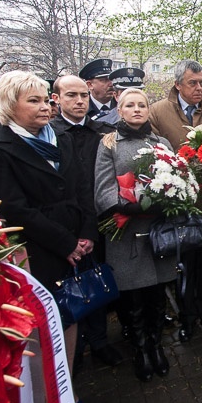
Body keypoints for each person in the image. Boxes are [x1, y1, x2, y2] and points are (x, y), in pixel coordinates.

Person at [0, 70, 96, 403]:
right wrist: (65, 242)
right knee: (41, 328)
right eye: (34, 101)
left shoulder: (61, 139)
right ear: (9, 105)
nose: (46, 107)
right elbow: (13, 207)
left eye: (46, 100)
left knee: (68, 319)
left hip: (75, 242)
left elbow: (82, 188)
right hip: (37, 250)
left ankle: (65, 389)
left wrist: (86, 232)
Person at [94, 88, 176, 381]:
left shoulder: (162, 142)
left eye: (142, 105)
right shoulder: (109, 143)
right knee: (134, 298)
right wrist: (131, 206)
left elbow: (176, 177)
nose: (137, 109)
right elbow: (103, 189)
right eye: (130, 105)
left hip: (158, 230)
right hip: (127, 231)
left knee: (157, 294)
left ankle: (156, 345)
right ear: (120, 110)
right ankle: (140, 349)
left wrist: (172, 199)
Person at [148, 59, 202, 341]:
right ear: (177, 84)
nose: (199, 88)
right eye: (192, 83)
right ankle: (187, 319)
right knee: (185, 268)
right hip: (178, 206)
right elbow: (152, 155)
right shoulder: (158, 111)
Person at [50, 75, 123, 370]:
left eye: (83, 95)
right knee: (68, 285)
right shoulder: (50, 133)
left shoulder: (103, 132)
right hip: (65, 225)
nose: (79, 101)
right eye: (71, 95)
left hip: (100, 220)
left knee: (98, 280)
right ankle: (73, 347)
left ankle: (100, 340)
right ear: (56, 99)